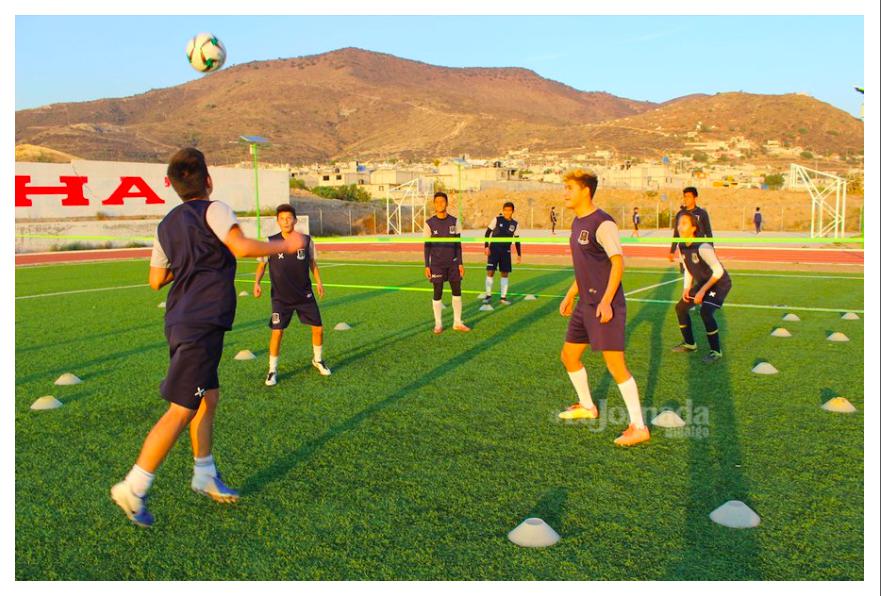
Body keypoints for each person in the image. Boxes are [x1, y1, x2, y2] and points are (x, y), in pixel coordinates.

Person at [111, 148, 305, 527]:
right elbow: (242, 247)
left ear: (173, 186)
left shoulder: (166, 225)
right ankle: (133, 487)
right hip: (201, 321)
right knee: (182, 409)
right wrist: (286, 244)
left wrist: (187, 263)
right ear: (208, 179)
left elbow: (155, 281)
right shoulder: (214, 210)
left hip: (182, 319)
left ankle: (204, 472)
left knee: (208, 397)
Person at [557, 169, 649, 447]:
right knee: (569, 356)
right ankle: (587, 406)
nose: (565, 193)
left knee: (615, 364)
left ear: (585, 190)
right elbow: (586, 266)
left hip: (604, 305)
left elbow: (618, 263)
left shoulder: (603, 223)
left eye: (569, 188)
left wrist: (607, 300)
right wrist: (571, 293)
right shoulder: (576, 223)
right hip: (585, 303)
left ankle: (639, 426)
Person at [253, 204, 330, 387]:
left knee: (318, 328)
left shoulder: (306, 240)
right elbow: (261, 265)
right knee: (277, 332)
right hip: (281, 298)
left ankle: (318, 360)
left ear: (295, 220)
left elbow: (312, 263)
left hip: (304, 295)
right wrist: (256, 283)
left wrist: (319, 282)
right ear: (277, 221)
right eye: (282, 218)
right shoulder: (270, 241)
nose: (286, 221)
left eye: (289, 218)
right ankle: (272, 370)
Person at [671, 212, 733, 363]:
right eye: (679, 223)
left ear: (693, 228)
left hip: (719, 283)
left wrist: (702, 291)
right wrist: (686, 289)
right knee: (680, 308)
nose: (680, 226)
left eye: (684, 223)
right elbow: (688, 268)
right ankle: (690, 344)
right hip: (703, 283)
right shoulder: (681, 245)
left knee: (706, 312)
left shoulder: (703, 246)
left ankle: (716, 351)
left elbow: (718, 271)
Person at [424, 191, 469, 334]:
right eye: (437, 202)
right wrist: (427, 265)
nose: (440, 204)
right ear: (434, 204)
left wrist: (460, 263)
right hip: (437, 264)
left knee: (457, 291)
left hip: (453, 263)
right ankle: (438, 324)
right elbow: (427, 246)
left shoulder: (455, 222)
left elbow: (458, 244)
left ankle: (457, 322)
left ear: (447, 203)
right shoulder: (429, 223)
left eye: (442, 201)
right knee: (438, 292)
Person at [484, 201, 522, 305]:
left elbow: (517, 240)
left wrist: (519, 254)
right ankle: (488, 296)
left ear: (512, 211)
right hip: (494, 249)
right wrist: (486, 247)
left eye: (509, 210)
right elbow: (487, 233)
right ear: (503, 210)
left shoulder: (515, 224)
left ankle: (503, 297)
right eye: (505, 210)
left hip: (506, 251)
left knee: (504, 273)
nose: (507, 212)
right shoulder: (497, 219)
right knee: (490, 271)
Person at [668, 187, 713, 273]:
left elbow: (708, 232)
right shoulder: (680, 214)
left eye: (688, 197)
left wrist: (711, 248)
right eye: (684, 196)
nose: (686, 199)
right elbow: (676, 233)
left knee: (699, 278)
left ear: (695, 198)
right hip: (684, 250)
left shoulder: (702, 213)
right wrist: (672, 251)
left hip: (698, 249)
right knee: (686, 278)